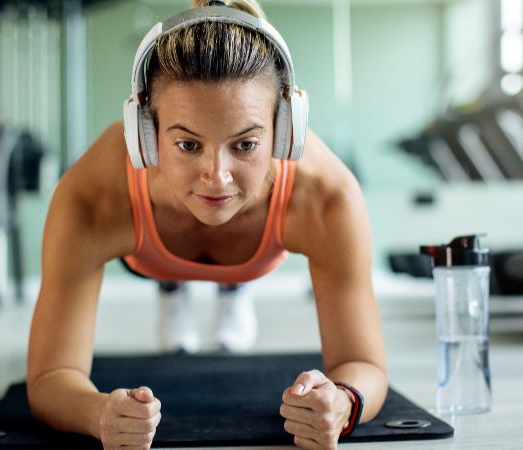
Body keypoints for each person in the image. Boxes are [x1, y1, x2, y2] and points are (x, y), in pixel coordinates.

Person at [26, 1, 387, 448]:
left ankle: (233, 284)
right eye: (187, 144)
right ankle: (173, 284)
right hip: (145, 255)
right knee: (196, 229)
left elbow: (364, 364)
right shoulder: (93, 198)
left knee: (223, 206)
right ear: (145, 136)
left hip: (258, 243)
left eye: (247, 143)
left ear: (285, 131)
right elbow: (50, 378)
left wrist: (343, 403)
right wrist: (97, 413)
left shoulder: (327, 198)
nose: (217, 176)